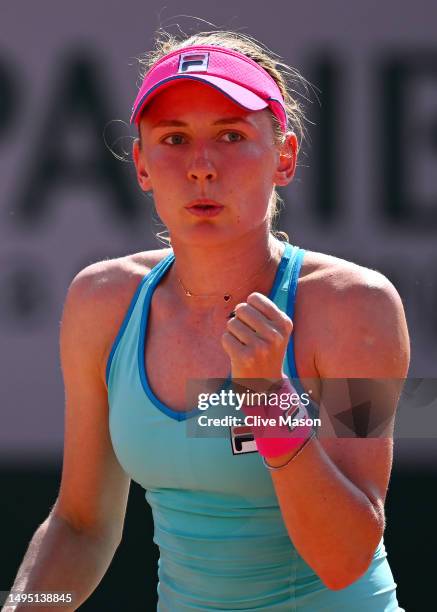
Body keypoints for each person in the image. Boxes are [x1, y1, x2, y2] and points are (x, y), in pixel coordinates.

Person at [4, 29, 410, 612]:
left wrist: (271, 402)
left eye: (230, 135)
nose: (201, 166)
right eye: (174, 138)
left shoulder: (359, 306)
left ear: (285, 157)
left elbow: (345, 557)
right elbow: (80, 524)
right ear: (141, 164)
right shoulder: (100, 300)